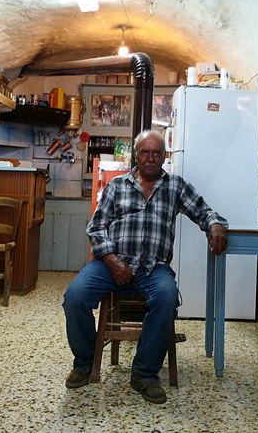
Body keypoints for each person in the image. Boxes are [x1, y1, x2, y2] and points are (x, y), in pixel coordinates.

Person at [63, 129, 228, 404]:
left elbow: (203, 211)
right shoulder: (117, 186)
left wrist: (216, 225)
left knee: (166, 297)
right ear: (135, 155)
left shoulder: (175, 186)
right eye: (144, 152)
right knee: (75, 297)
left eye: (156, 153)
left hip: (154, 268)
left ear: (164, 156)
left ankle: (144, 374)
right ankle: (84, 362)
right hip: (110, 264)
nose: (150, 158)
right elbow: (96, 227)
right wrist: (112, 260)